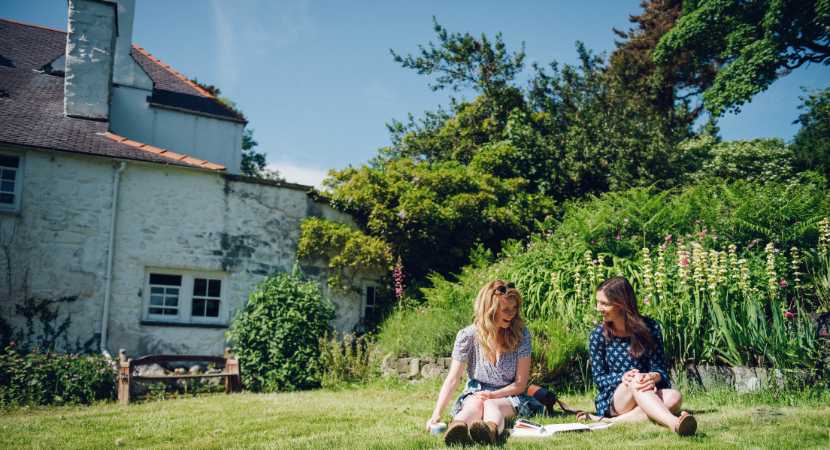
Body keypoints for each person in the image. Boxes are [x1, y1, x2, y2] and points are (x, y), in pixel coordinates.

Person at [425, 280, 540, 446]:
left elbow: (520, 384)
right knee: (474, 403)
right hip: (476, 392)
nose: (512, 313)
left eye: (514, 308)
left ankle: (490, 432)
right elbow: (453, 378)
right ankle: (457, 427)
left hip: (507, 395)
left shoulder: (521, 335)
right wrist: (437, 413)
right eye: (506, 310)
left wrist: (493, 395)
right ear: (489, 311)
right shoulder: (468, 336)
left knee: (491, 404)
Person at [578, 276, 697, 436]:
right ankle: (673, 423)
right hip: (615, 398)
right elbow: (599, 380)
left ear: (622, 304)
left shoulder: (651, 328)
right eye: (598, 302)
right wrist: (623, 377)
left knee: (674, 397)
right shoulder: (598, 334)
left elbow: (659, 369)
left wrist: (651, 376)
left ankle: (611, 422)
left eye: (604, 304)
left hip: (645, 389)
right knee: (636, 378)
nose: (598, 308)